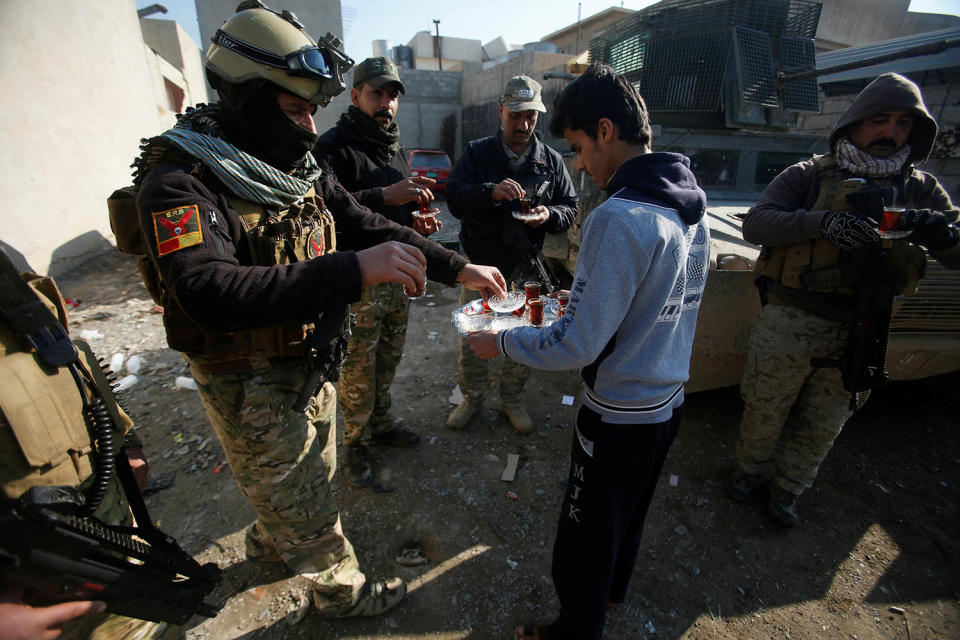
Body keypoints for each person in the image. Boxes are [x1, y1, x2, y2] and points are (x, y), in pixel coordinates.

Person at [127, 4, 504, 619]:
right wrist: (352, 270)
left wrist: (455, 266)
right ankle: (341, 592)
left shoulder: (293, 166)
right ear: (249, 99)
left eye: (311, 111)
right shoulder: (180, 181)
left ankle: (273, 533)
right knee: (311, 501)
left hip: (307, 358)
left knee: (307, 474)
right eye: (295, 110)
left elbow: (360, 220)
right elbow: (206, 289)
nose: (308, 127)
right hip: (248, 383)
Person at [468, 63, 710, 640]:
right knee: (626, 518)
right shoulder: (689, 205)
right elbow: (648, 303)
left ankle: (576, 628)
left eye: (577, 147)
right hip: (667, 400)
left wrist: (498, 341)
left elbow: (577, 344)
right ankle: (611, 594)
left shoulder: (620, 216)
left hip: (619, 413)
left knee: (584, 533)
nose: (578, 164)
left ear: (605, 130)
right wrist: (571, 302)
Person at [728, 72, 960, 527]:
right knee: (764, 406)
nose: (890, 133)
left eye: (902, 124)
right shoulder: (810, 175)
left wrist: (940, 233)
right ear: (853, 123)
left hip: (866, 325)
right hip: (794, 317)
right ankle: (749, 472)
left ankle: (789, 490)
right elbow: (757, 223)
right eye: (878, 120)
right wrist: (824, 223)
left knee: (827, 420)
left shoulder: (920, 190)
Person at [0, 247, 175, 640]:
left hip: (98, 513)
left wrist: (125, 439)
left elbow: (62, 356)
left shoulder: (4, 261)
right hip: (31, 582)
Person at [314, 56, 439, 489]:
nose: (386, 103)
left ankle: (382, 423)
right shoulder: (333, 146)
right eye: (377, 93)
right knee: (357, 369)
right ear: (355, 95)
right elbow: (328, 209)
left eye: (392, 95)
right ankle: (356, 442)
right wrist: (387, 194)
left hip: (397, 278)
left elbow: (393, 211)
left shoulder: (392, 147)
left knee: (387, 360)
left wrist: (414, 221)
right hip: (360, 279)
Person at [446, 74, 578, 434]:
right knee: (474, 337)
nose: (523, 125)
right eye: (516, 116)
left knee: (520, 341)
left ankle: (512, 400)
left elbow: (570, 207)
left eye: (531, 117)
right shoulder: (478, 154)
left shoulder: (549, 160)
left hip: (526, 270)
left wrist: (549, 215)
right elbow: (455, 198)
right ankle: (472, 398)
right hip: (481, 270)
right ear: (501, 111)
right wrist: (490, 192)